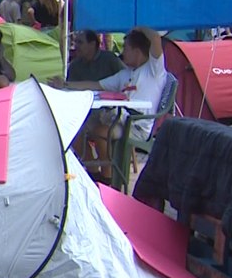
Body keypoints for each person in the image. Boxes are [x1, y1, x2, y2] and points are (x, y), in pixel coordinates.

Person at [51, 26, 168, 180]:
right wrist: (65, 85)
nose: (122, 52)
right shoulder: (126, 74)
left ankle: (108, 178)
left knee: (101, 131)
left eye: (126, 48)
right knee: (76, 128)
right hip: (120, 120)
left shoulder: (154, 71)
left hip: (136, 125)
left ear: (136, 51)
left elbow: (155, 38)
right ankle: (93, 170)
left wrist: (138, 26)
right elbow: (96, 85)